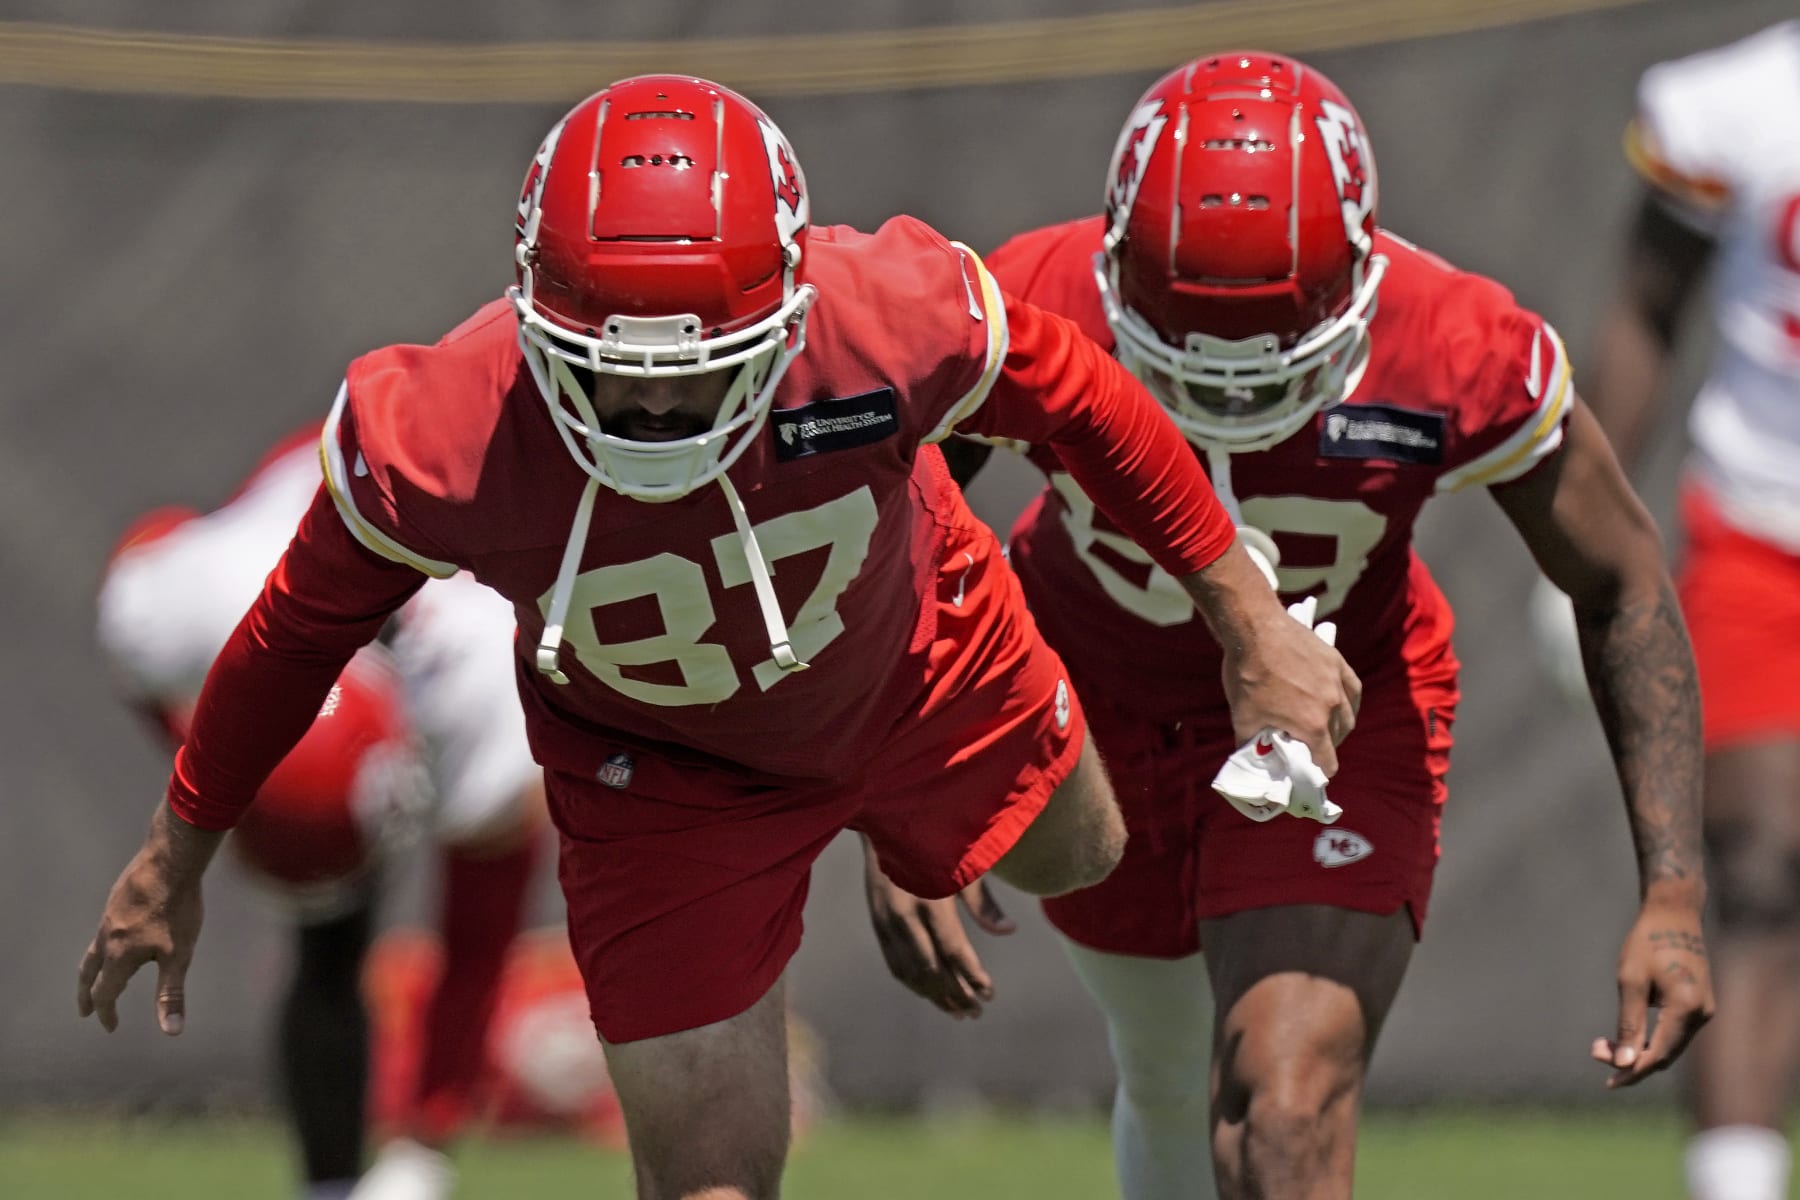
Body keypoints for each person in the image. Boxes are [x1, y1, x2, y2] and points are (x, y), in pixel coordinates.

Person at [74, 74, 1360, 1200]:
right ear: (530, 314)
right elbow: (288, 640)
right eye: (605, 368)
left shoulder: (887, 315)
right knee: (708, 1183)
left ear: (791, 305)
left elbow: (1078, 393)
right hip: (664, 776)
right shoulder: (438, 434)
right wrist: (174, 850)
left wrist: (1244, 616)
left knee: (1084, 855)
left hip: (921, 659)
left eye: (700, 368)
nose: (649, 408)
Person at [865, 51, 1715, 1200]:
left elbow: (1620, 584)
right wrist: (904, 795)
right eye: (1185, 359)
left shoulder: (1458, 346)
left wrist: (1672, 888)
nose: (1227, 400)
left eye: (1270, 362)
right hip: (1093, 700)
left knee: (1284, 1091)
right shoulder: (1028, 298)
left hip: (1342, 709)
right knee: (1166, 1065)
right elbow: (894, 539)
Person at [95, 429, 548, 1200]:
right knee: (331, 940)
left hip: (452, 476)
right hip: (310, 497)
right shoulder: (185, 610)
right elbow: (143, 558)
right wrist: (199, 761)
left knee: (357, 925)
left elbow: (479, 935)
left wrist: (420, 1156)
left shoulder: (489, 694)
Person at [1575, 22, 1800, 1200]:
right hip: (1764, 526)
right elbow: (1644, 310)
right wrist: (1575, 544)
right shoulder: (1737, 102)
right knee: (1756, 869)